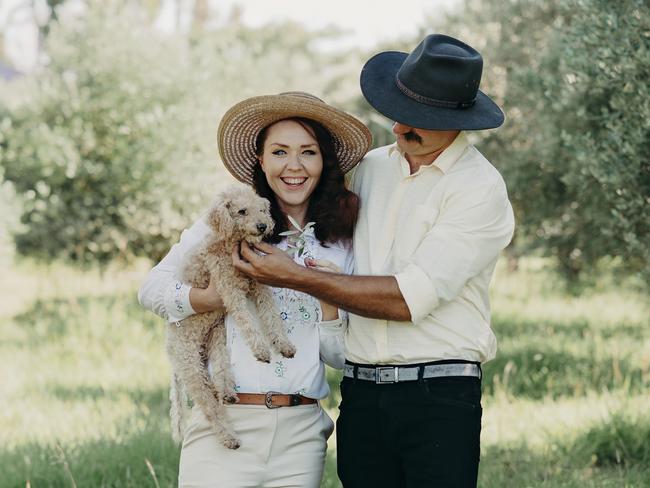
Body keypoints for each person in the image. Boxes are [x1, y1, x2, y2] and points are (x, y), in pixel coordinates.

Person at [232, 34, 515, 487]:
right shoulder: (369, 169)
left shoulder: (478, 189)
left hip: (438, 396)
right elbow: (303, 206)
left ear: (459, 121)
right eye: (398, 114)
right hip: (360, 396)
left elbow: (406, 299)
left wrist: (299, 279)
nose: (401, 129)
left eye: (420, 120)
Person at [138, 91, 371, 487]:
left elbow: (340, 357)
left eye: (308, 153)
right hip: (225, 423)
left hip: (301, 431)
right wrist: (208, 298)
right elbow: (151, 289)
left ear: (323, 162)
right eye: (279, 152)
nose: (293, 166)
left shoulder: (340, 244)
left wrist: (327, 293)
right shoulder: (226, 224)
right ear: (260, 161)